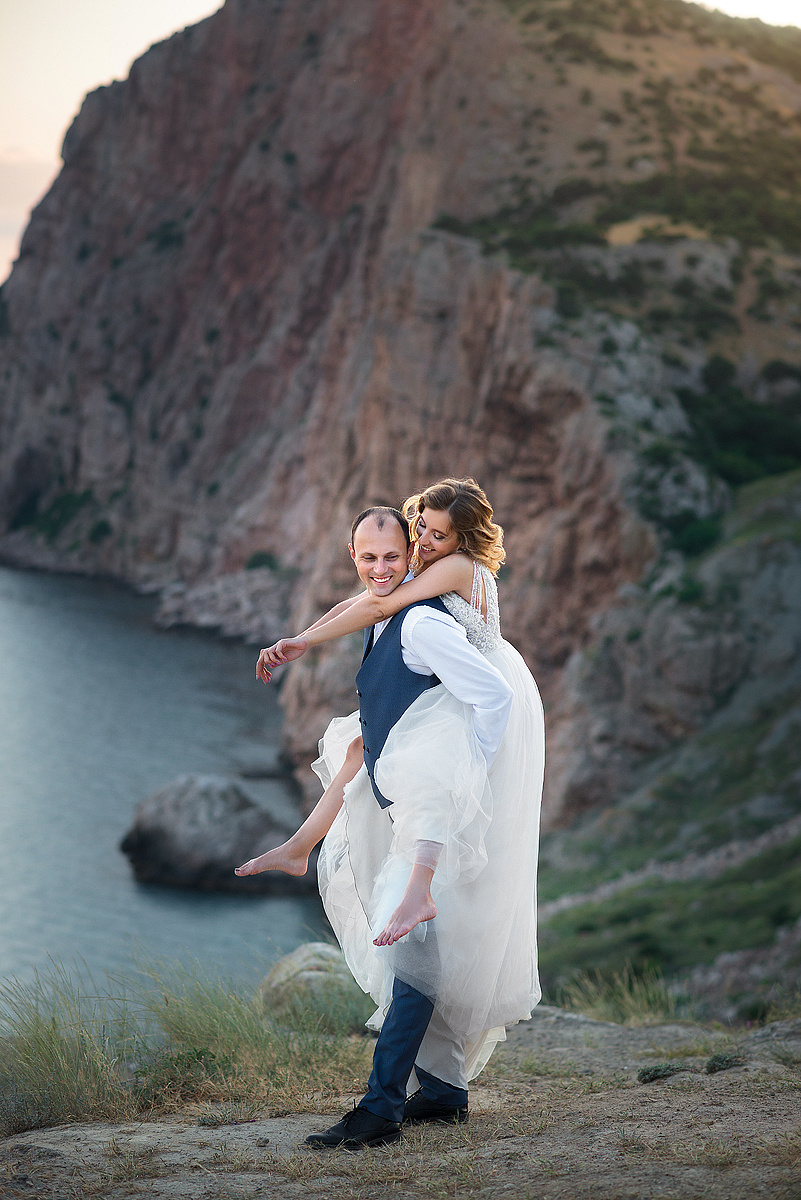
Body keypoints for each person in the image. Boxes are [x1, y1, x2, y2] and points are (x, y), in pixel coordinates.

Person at [237, 480, 544, 1149]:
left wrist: (468, 770)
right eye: (366, 557)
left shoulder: (428, 618)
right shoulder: (392, 606)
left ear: (417, 554)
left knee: (410, 954)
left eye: (395, 555)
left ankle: (379, 1110)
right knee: (420, 946)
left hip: (442, 794)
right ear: (354, 556)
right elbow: (367, 605)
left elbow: (492, 698)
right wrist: (300, 641)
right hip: (413, 781)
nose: (383, 568)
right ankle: (443, 1092)